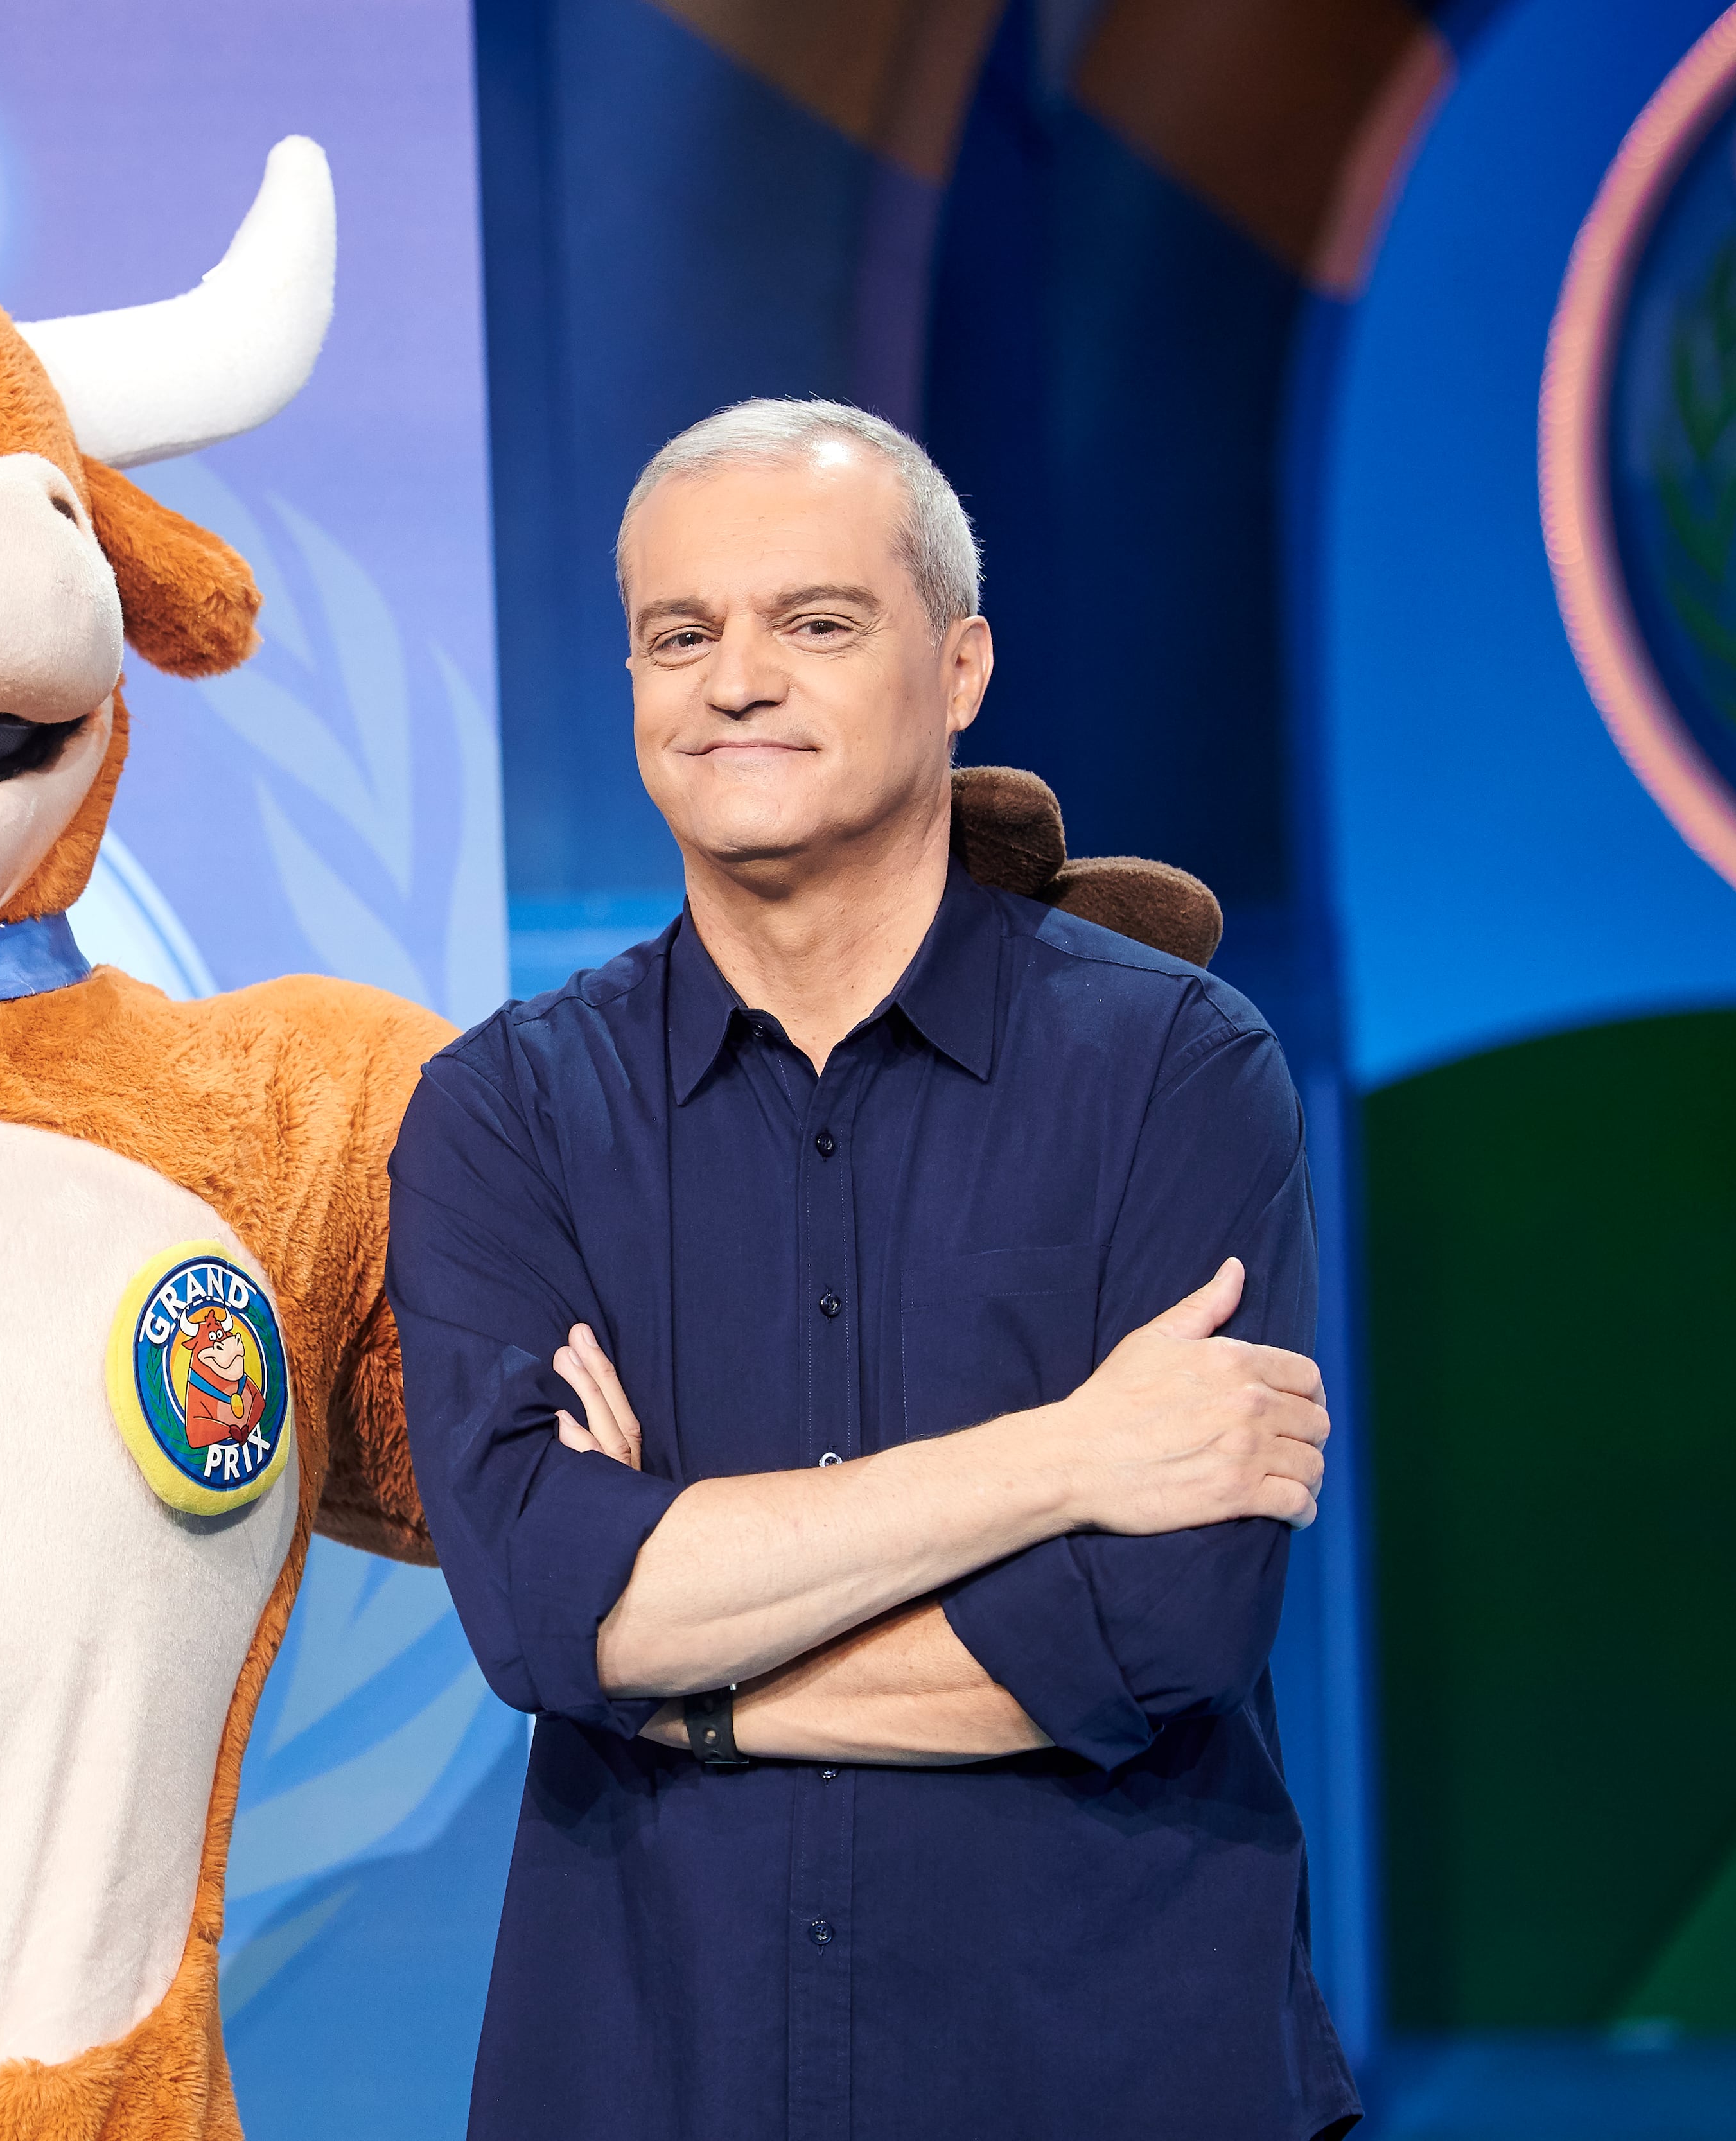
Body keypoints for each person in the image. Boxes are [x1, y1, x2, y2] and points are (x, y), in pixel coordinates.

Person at [388, 398, 1360, 2139]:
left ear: (962, 666)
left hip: (1112, 2072)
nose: (736, 680)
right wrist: (1066, 1459)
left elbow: (1153, 1634)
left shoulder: (1175, 1070)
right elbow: (547, 1613)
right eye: (679, 635)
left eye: (816, 622)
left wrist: (677, 1674)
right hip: (651, 2073)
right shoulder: (502, 1113)